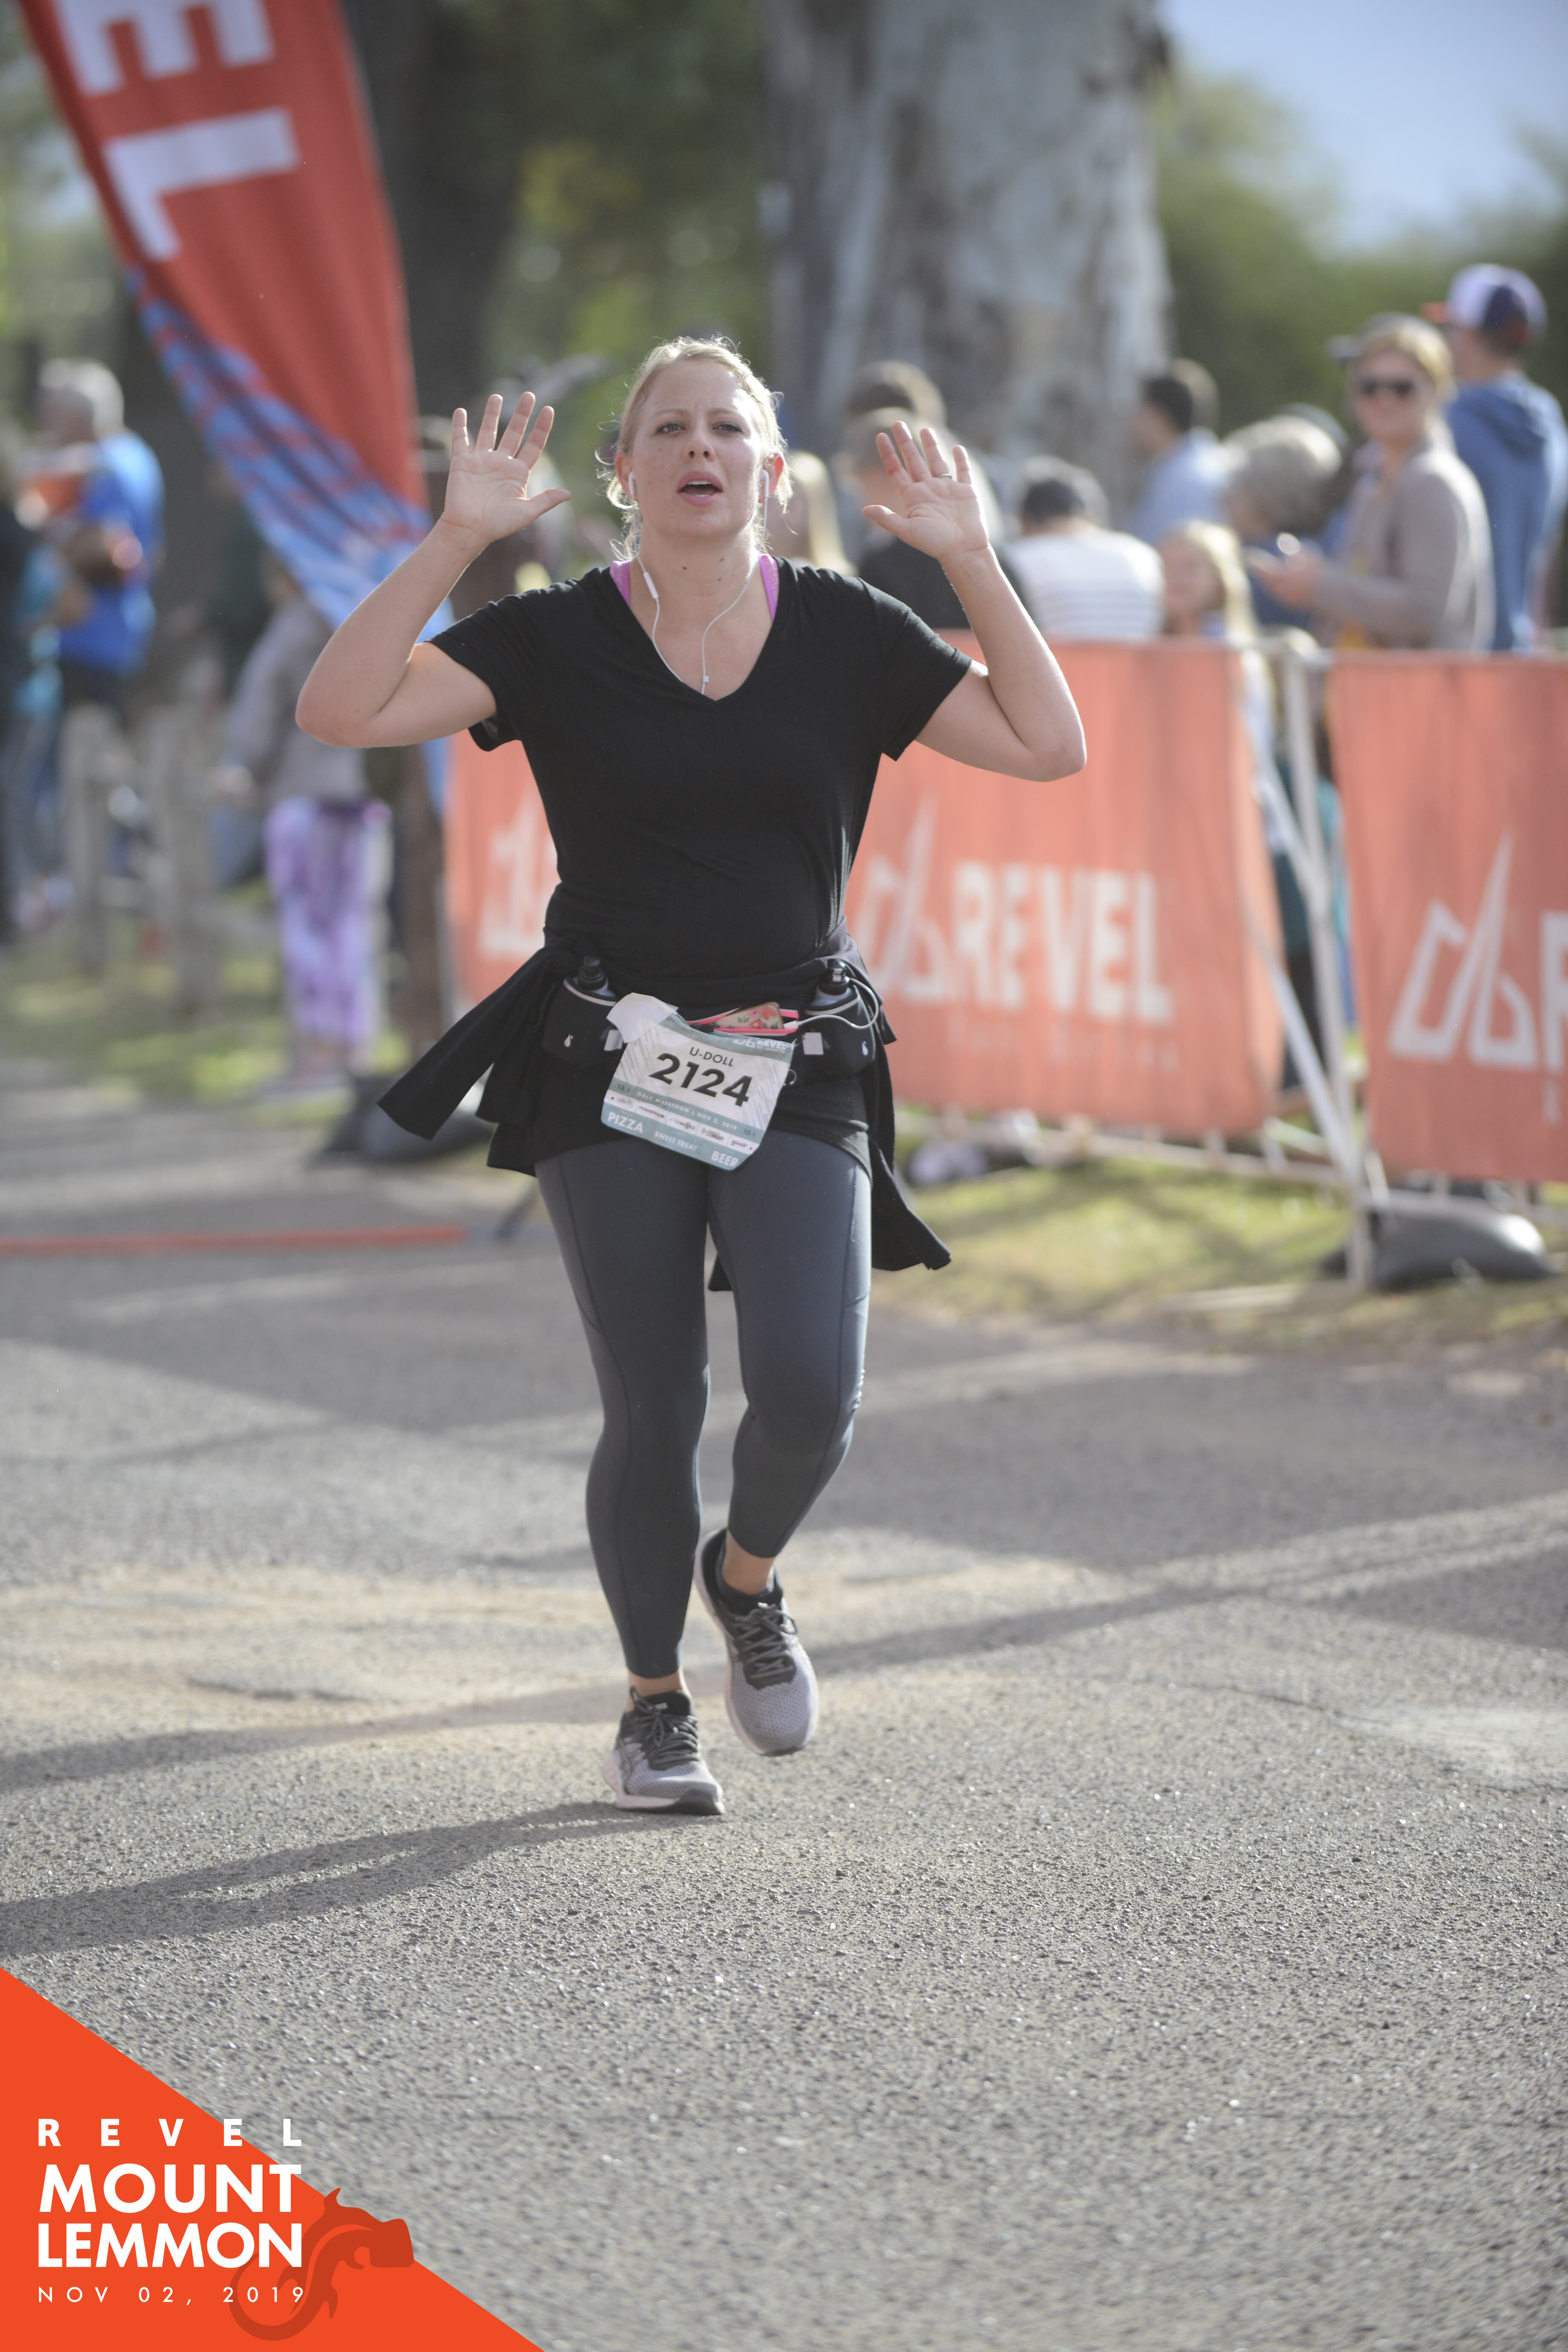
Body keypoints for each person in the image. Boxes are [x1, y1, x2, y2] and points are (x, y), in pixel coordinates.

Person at [297, 334, 1084, 1817]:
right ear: (622, 473)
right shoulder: (551, 635)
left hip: (797, 1051)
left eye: (728, 427)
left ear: (771, 473)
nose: (699, 448)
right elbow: (339, 710)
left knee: (810, 1395)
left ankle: (747, 1575)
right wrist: (456, 538)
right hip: (609, 1053)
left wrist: (972, 560)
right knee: (654, 1401)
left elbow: (1048, 744)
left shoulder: (846, 629)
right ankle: (653, 1705)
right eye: (666, 429)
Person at [216, 559, 390, 1088]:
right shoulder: (362, 622)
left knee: (307, 929)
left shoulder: (290, 630)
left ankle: (316, 1052)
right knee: (354, 928)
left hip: (302, 798)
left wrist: (244, 769)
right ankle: (355, 1049)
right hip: (359, 796)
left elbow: (258, 719)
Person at [1247, 316, 1493, 652]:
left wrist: (1321, 584)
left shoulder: (1433, 480)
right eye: (1369, 387)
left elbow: (1427, 610)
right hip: (1369, 679)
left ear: (1437, 393)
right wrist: (1310, 579)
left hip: (1417, 684)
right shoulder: (1375, 474)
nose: (1383, 399)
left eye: (1403, 388)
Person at [35, 359, 164, 973]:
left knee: (100, 776)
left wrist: (49, 543)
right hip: (106, 637)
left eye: (55, 413)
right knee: (98, 773)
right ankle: (125, 886)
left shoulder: (110, 463)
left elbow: (113, 549)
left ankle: (140, 884)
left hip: (95, 641)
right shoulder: (132, 456)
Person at [1424, 264, 1568, 653]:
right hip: (1522, 652)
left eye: (1452, 328)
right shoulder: (1552, 425)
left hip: (1455, 655)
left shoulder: (1446, 423)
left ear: (1469, 335)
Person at [1005, 457, 1162, 641]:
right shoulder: (1143, 555)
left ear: (1026, 520)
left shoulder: (1016, 557)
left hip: (1054, 659)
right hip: (1141, 660)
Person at [1222, 415, 1344, 630]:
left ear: (1268, 493)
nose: (1224, 497)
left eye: (1238, 485)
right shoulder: (1319, 554)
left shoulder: (1274, 565)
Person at [1127, 361, 1231, 546]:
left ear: (1157, 416)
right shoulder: (1208, 464)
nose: (1133, 421)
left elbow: (1175, 554)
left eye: (1141, 411)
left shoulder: (1184, 482)